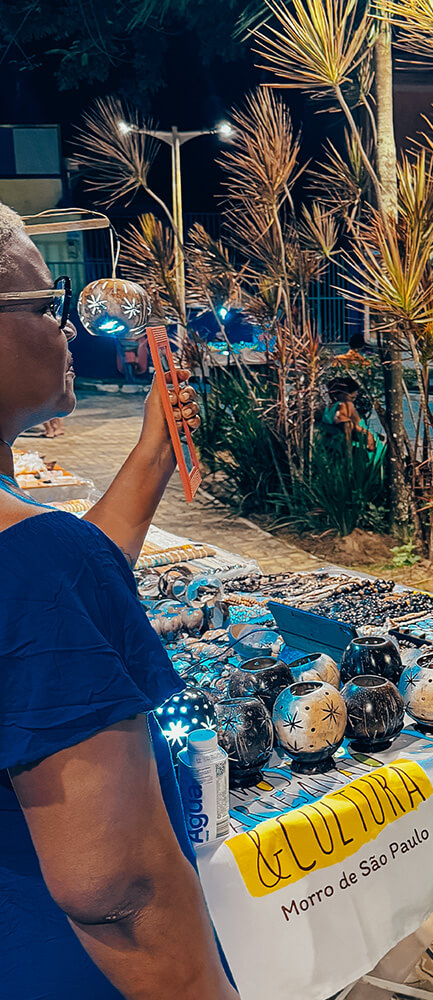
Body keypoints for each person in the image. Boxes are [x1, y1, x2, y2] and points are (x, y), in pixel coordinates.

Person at [0, 204, 239, 999]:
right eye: (46, 305)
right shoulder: (35, 557)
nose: (67, 329)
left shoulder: (34, 550)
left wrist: (151, 460)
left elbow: (58, 610)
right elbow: (116, 889)